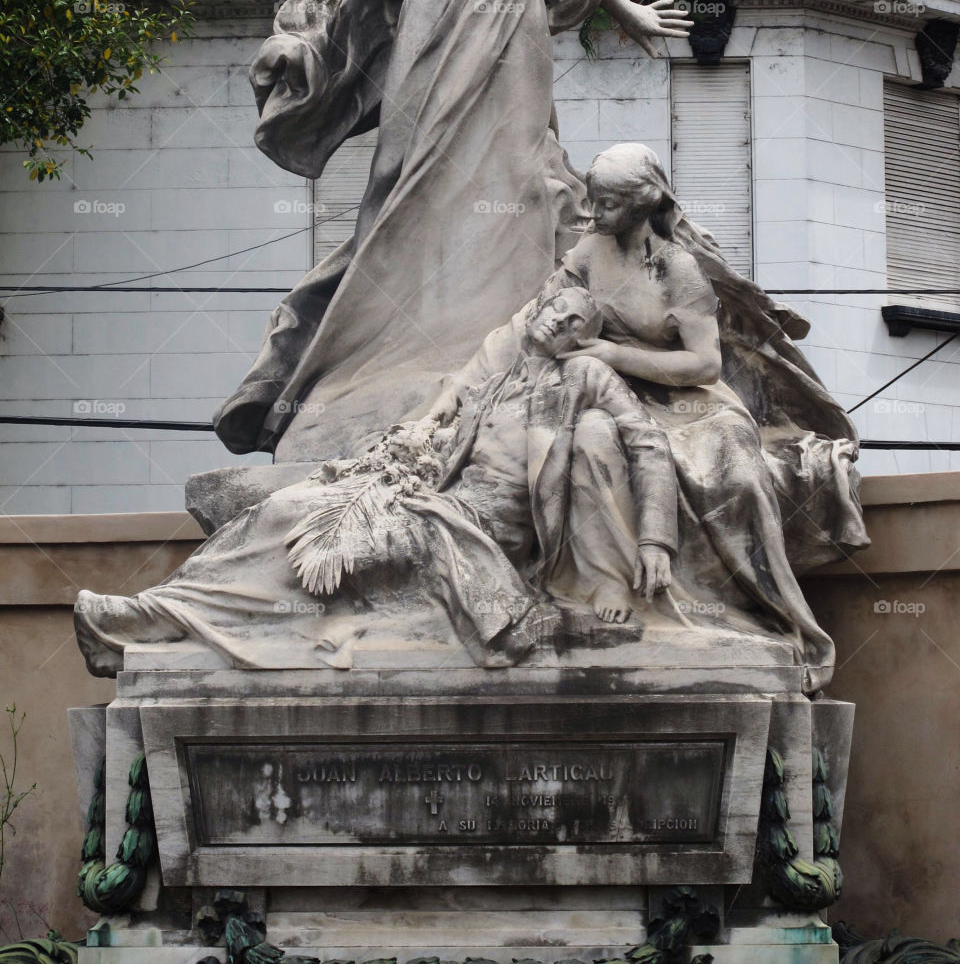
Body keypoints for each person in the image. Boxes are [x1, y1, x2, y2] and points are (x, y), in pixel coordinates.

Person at [213, 0, 691, 462]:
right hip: (435, 17)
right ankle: (376, 332)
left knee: (524, 167)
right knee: (403, 170)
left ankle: (502, 325)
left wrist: (627, 12)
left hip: (513, 20)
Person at [74, 289, 678, 677]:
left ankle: (159, 617)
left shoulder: (585, 377)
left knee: (300, 536)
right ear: (539, 309)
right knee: (291, 507)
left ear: (582, 338)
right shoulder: (496, 379)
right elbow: (440, 441)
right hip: (435, 507)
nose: (562, 322)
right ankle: (167, 609)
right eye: (558, 308)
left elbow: (648, 442)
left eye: (577, 322)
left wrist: (654, 541)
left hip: (476, 537)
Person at [445, 143, 870, 692]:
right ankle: (605, 583)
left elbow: (706, 363)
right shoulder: (587, 253)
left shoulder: (677, 269)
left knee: (737, 476)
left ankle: (766, 611)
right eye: (592, 202)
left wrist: (617, 355)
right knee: (589, 438)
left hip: (689, 399)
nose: (593, 215)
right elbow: (537, 318)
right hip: (611, 392)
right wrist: (463, 387)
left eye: (606, 205)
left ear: (643, 205)